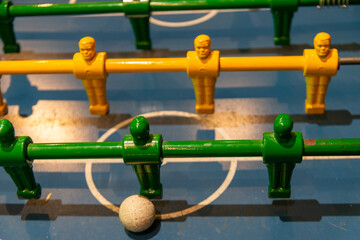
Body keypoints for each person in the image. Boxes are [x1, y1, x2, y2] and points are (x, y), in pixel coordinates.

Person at [304, 32, 338, 114]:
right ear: (315, 45)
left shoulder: (332, 55)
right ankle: (311, 104)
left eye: (326, 46)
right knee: (312, 91)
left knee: (322, 91)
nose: (323, 49)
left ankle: (319, 105)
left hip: (325, 76)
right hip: (312, 76)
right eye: (320, 46)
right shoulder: (310, 56)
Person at [73, 37, 109, 115]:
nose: (86, 52)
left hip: (98, 78)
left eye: (89, 49)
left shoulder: (100, 58)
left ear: (94, 48)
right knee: (90, 92)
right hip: (86, 79)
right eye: (82, 50)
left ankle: (102, 105)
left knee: (99, 91)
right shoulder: (78, 59)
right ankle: (95, 105)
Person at [187, 35, 220, 114]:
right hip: (197, 78)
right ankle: (201, 104)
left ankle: (208, 104)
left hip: (209, 77)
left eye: (205, 47)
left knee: (209, 92)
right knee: (199, 93)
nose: (202, 50)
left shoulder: (214, 56)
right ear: (195, 47)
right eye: (199, 48)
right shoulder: (192, 58)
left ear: (209, 47)